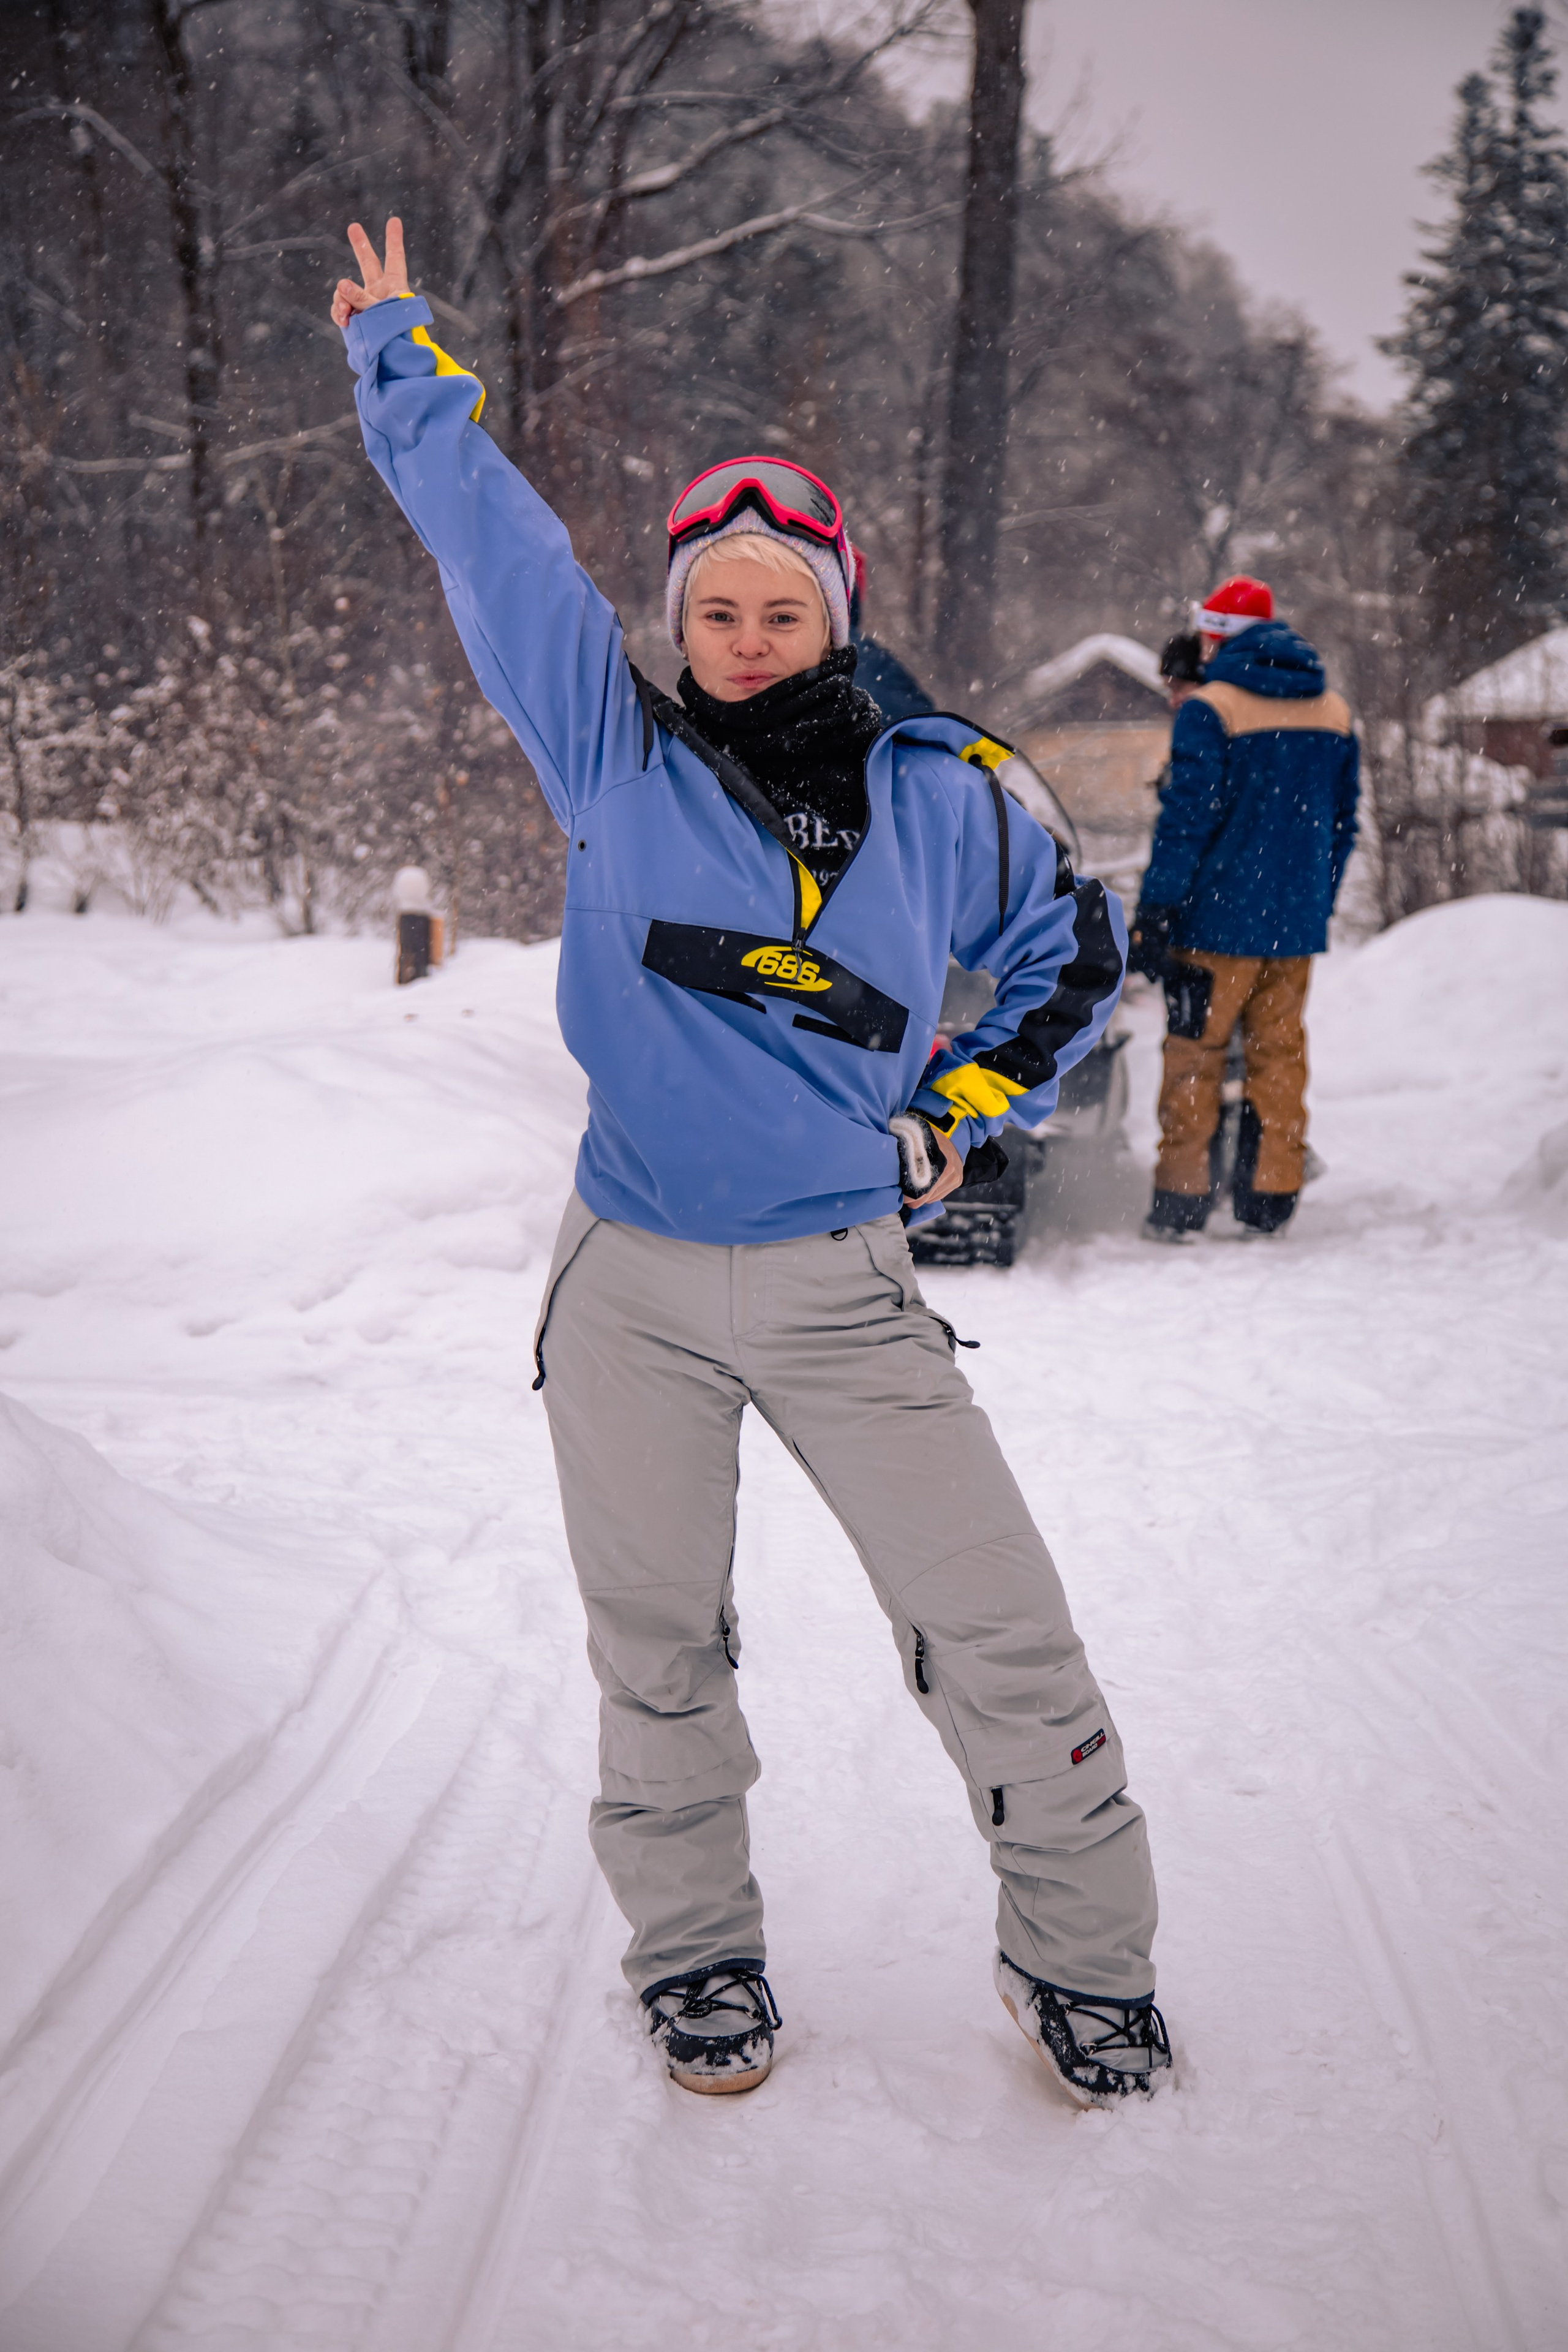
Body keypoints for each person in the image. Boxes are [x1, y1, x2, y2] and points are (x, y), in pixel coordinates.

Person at [333, 219, 1169, 2107]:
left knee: (1002, 1636)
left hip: (838, 1286)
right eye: (714, 603)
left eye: (781, 604)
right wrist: (397, 351)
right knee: (658, 1652)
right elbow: (497, 548)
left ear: (838, 608)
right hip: (626, 1278)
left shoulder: (947, 787)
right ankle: (697, 1954)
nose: (743, 632)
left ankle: (1086, 1966)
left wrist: (947, 1105)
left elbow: (1078, 949)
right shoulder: (609, 750)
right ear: (677, 617)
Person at [1128, 576, 1359, 1242]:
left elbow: (1185, 823)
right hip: (1293, 929)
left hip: (1213, 927)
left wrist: (1156, 910)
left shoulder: (1211, 710)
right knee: (1279, 1059)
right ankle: (1269, 1201)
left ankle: (1181, 1204)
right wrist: (1314, 898)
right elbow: (1344, 826)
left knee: (1195, 1056)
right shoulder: (1334, 712)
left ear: (1215, 636)